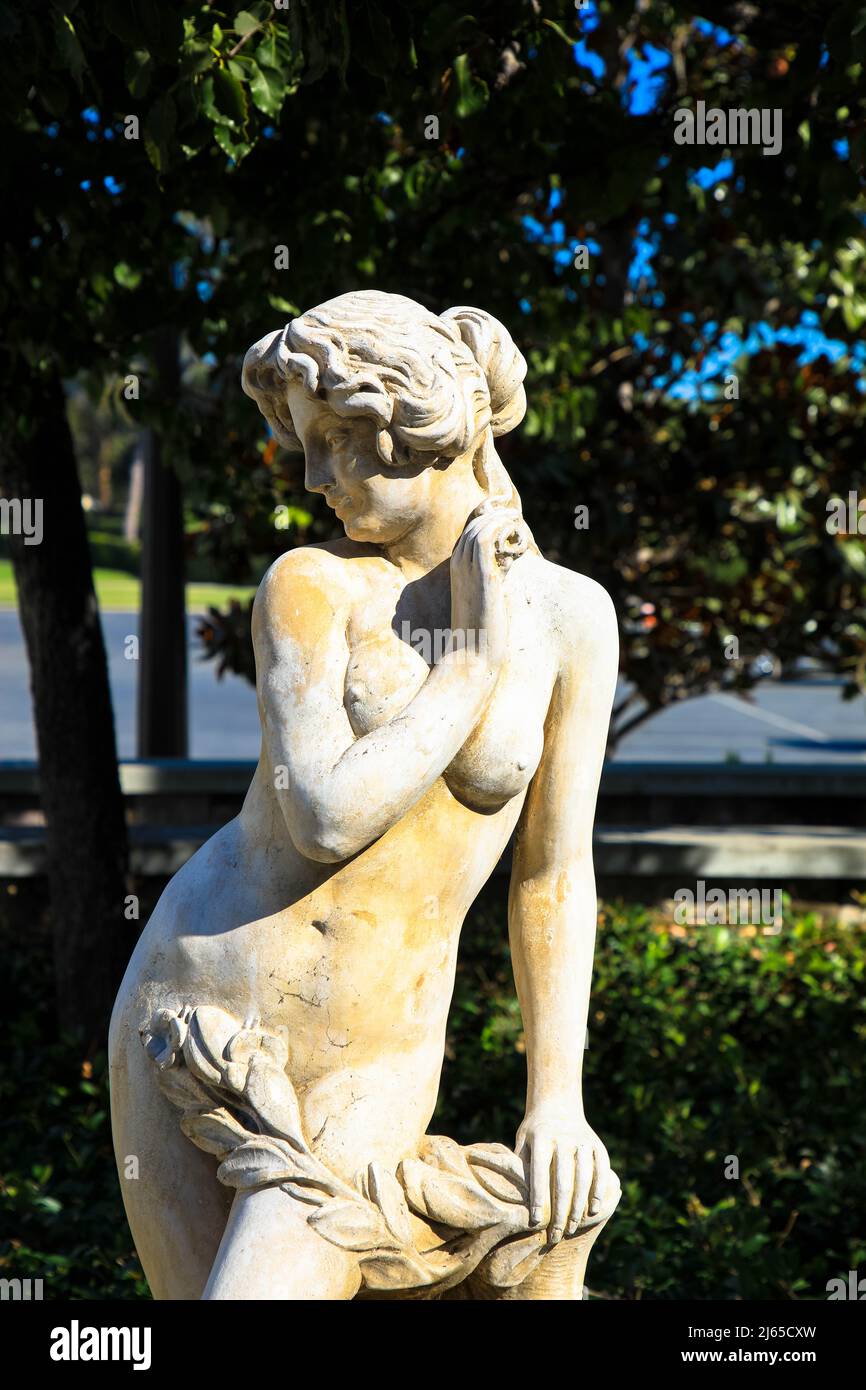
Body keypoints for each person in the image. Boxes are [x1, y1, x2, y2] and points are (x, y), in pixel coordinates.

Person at [109, 290, 619, 1299]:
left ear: (430, 422)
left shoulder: (570, 619)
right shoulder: (308, 586)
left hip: (370, 1060)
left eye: (340, 440)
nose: (312, 476)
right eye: (307, 445)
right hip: (191, 1007)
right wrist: (468, 666)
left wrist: (553, 1100)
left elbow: (553, 879)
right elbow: (325, 815)